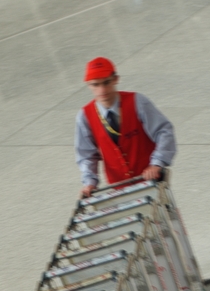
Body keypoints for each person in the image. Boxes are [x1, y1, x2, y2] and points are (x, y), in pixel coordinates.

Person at [75, 57, 177, 197]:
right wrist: (89, 183)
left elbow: (164, 131)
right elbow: (86, 155)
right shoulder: (85, 116)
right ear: (88, 85)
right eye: (95, 85)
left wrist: (156, 163)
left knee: (165, 217)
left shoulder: (137, 102)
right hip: (120, 190)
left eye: (106, 82)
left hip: (152, 181)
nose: (102, 89)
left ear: (116, 79)